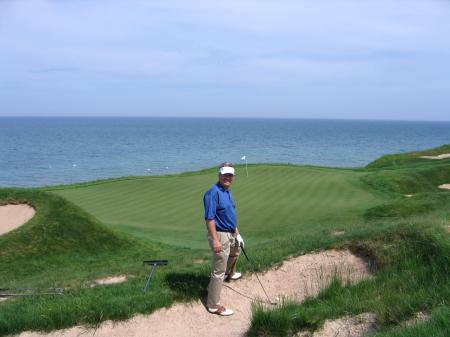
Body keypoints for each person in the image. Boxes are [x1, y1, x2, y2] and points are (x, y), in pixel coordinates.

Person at [203, 162, 245, 316]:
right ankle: (213, 305)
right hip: (220, 234)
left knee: (236, 250)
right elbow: (210, 219)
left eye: (230, 175)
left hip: (231, 232)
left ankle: (231, 273)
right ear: (219, 175)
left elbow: (229, 215)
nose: (228, 177)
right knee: (218, 271)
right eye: (225, 174)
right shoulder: (212, 193)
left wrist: (238, 233)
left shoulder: (227, 191)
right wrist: (215, 240)